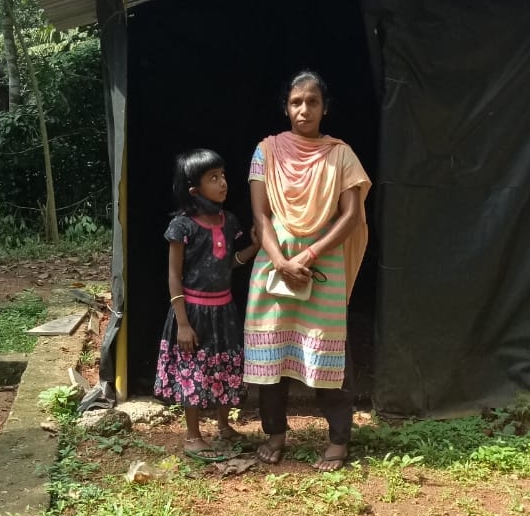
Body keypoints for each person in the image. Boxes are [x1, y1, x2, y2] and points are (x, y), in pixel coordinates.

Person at [243, 70, 371, 471]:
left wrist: (310, 254)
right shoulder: (266, 151)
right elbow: (260, 215)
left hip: (323, 266)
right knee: (271, 356)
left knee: (328, 354)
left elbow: (351, 215)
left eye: (312, 102)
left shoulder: (341, 154)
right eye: (296, 102)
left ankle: (338, 440)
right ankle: (275, 434)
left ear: (324, 108)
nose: (304, 109)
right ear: (286, 108)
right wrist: (282, 261)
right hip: (274, 264)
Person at [154, 148, 258, 458]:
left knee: (225, 367)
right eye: (213, 178)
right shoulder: (182, 226)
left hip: (224, 311)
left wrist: (255, 247)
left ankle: (224, 426)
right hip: (193, 313)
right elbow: (174, 276)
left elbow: (229, 263)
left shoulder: (230, 221)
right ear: (194, 190)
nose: (223, 182)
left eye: (223, 175)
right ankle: (192, 436)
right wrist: (183, 324)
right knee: (194, 371)